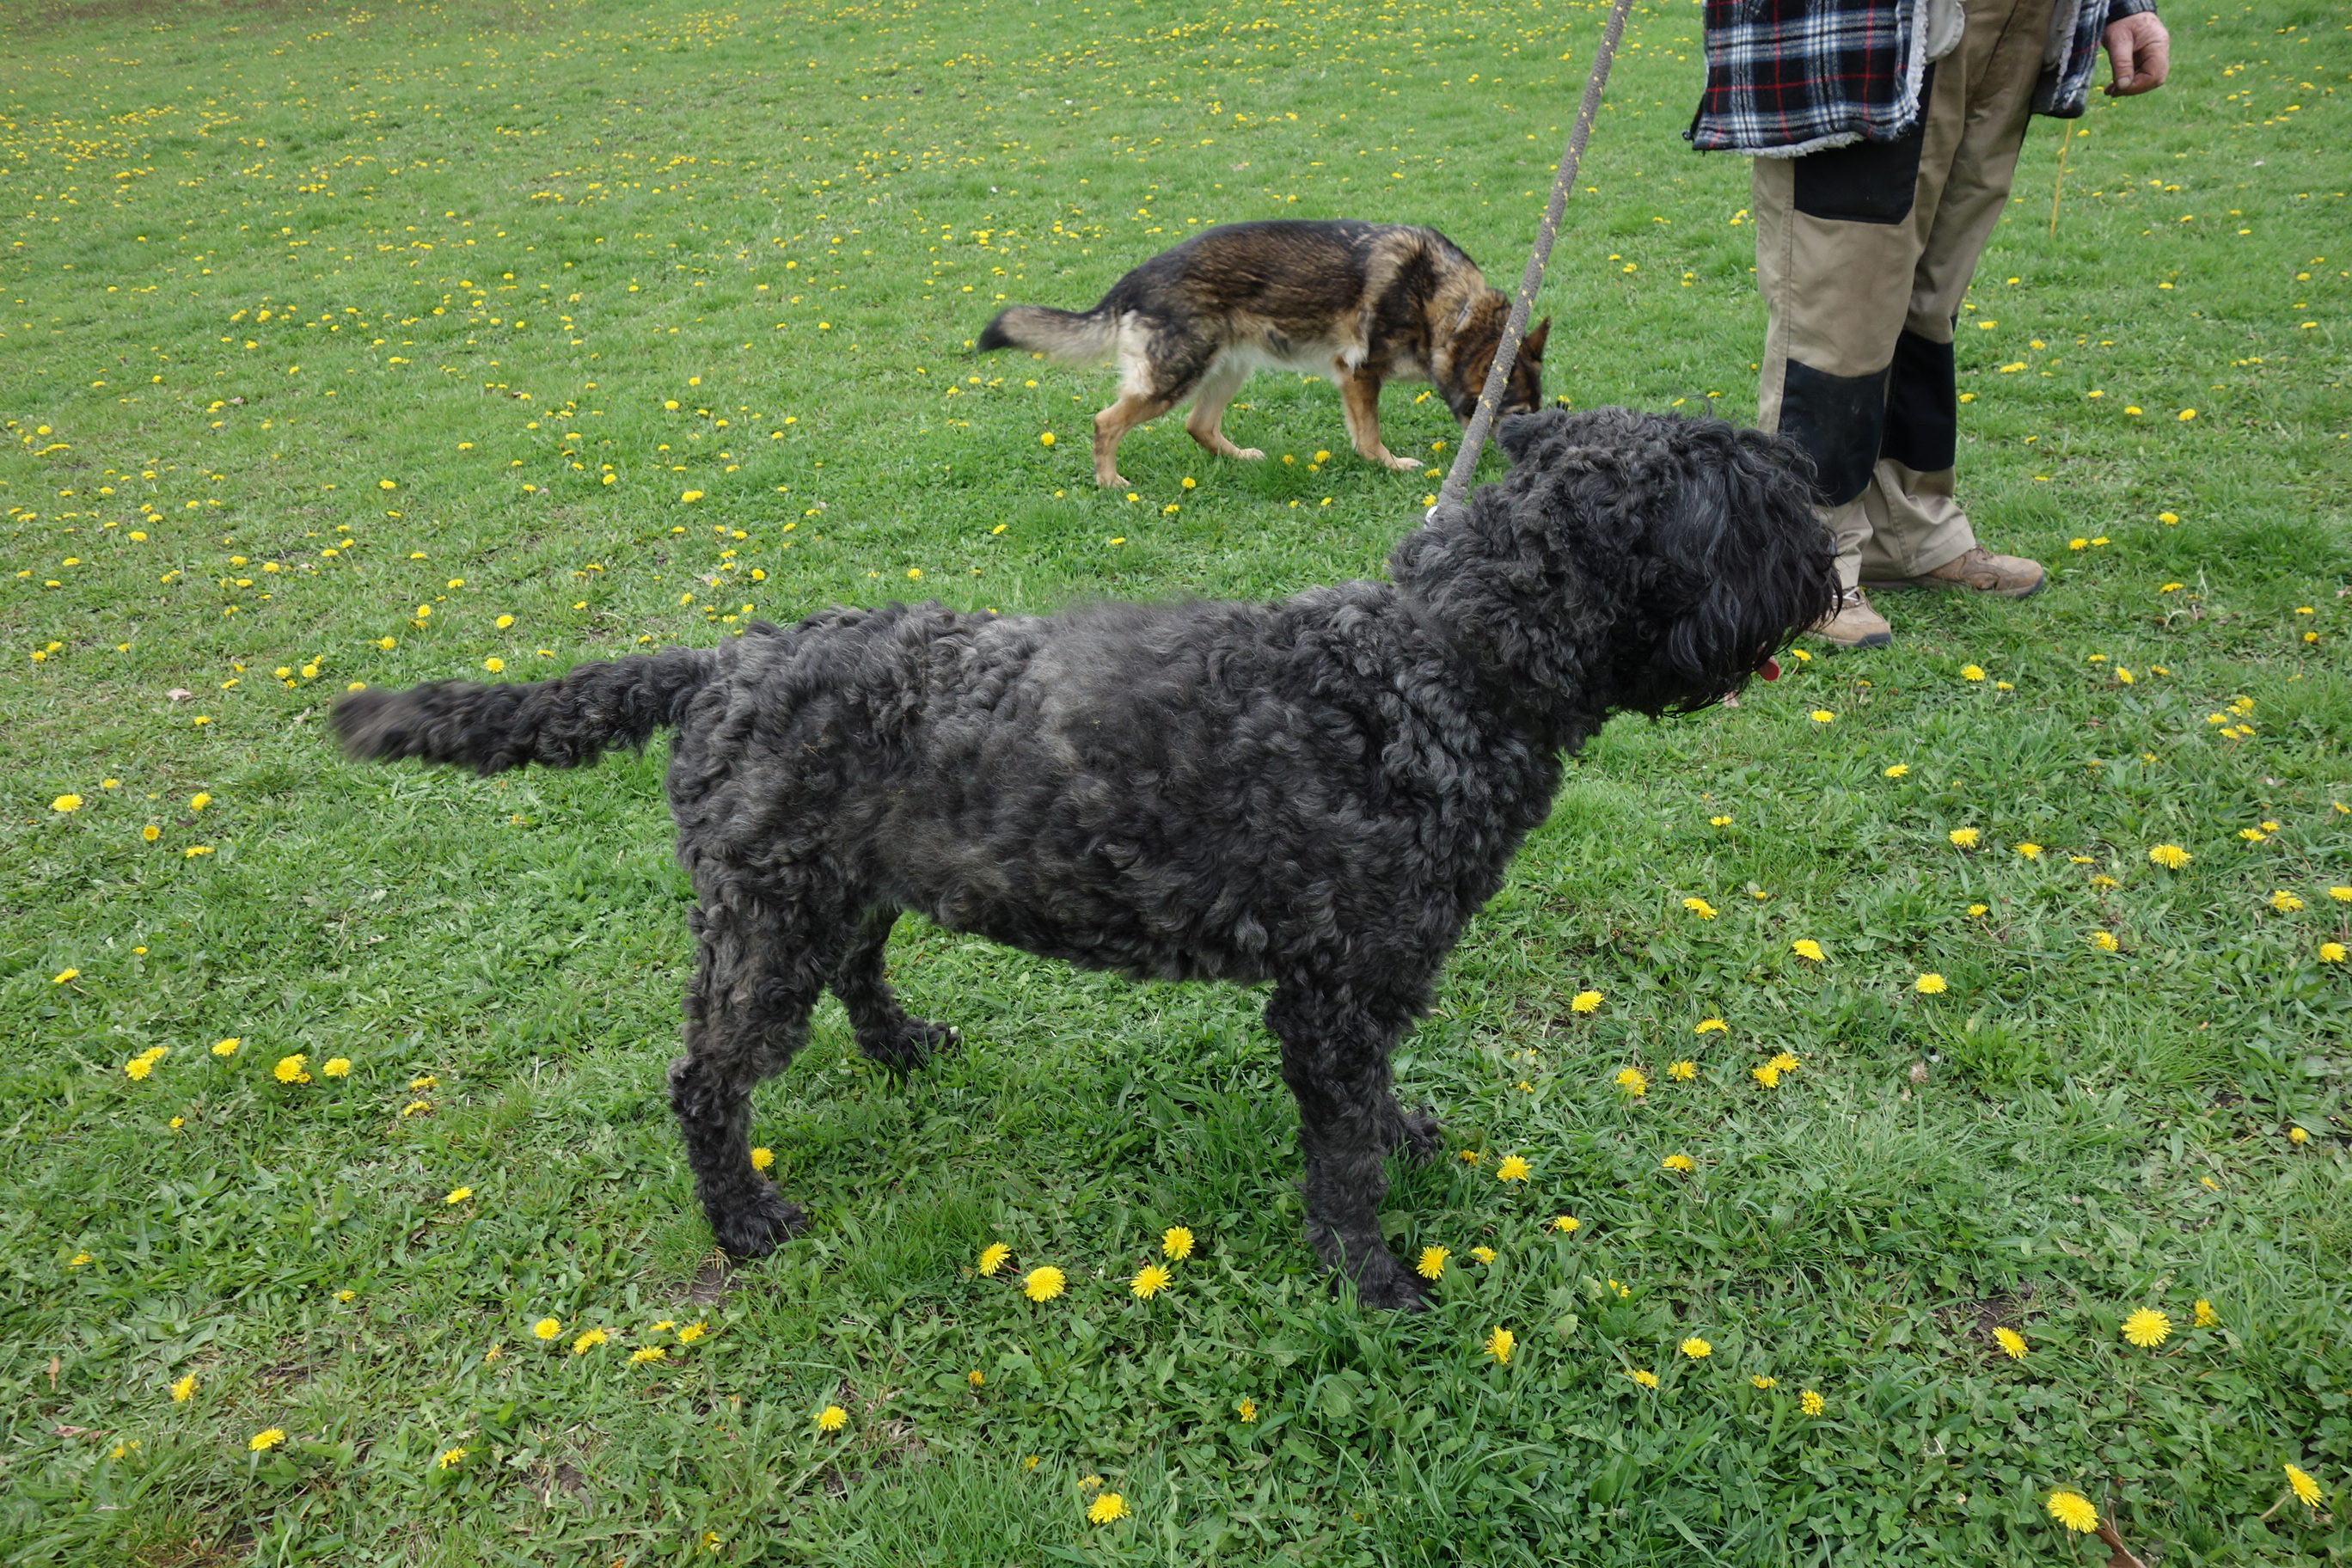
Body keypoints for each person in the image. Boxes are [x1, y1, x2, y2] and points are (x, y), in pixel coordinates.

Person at [1690, 0, 2170, 648]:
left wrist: (2127, 6)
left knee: (1929, 301)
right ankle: (1808, 557)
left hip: (2017, 20)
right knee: (1841, 301)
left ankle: (1908, 529)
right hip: (1862, 29)